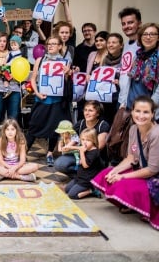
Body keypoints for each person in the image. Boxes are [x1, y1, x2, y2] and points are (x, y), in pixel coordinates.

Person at [92, 95, 159, 230]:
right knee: (106, 175)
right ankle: (135, 205)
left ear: (153, 114)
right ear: (132, 112)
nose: (141, 115)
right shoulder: (134, 129)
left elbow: (152, 170)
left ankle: (142, 206)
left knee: (123, 185)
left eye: (146, 112)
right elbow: (131, 158)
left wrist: (122, 176)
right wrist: (115, 171)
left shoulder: (156, 134)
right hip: (141, 169)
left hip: (154, 177)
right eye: (138, 111)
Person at [26, 35, 72, 167]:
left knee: (54, 129)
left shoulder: (65, 62)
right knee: (33, 125)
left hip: (57, 101)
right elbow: (33, 79)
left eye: (53, 44)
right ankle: (24, 152)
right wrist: (37, 93)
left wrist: (68, 74)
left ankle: (50, 153)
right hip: (41, 99)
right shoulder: (40, 60)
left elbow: (67, 83)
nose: (50, 46)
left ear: (59, 46)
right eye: (48, 44)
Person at [55, 100, 110, 175]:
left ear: (97, 113)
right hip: (80, 155)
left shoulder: (103, 125)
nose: (87, 113)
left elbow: (98, 147)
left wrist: (72, 147)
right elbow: (68, 135)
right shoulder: (81, 123)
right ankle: (80, 177)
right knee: (59, 164)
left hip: (94, 158)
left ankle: (89, 177)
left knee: (88, 167)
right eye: (85, 110)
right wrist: (63, 143)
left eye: (90, 111)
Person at [126, 23, 159, 112]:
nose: (148, 37)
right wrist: (123, 103)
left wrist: (150, 107)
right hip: (130, 107)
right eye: (145, 34)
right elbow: (130, 83)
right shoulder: (137, 57)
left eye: (152, 34)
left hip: (148, 111)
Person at [63, 128, 103, 199]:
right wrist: (69, 147)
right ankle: (83, 188)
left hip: (87, 181)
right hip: (79, 178)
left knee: (72, 195)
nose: (84, 142)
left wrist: (81, 152)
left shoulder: (94, 152)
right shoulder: (86, 148)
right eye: (83, 139)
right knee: (66, 189)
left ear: (94, 141)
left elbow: (85, 165)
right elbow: (79, 149)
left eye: (88, 140)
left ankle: (92, 191)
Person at [117, 7, 142, 110]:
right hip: (122, 99)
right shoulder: (126, 44)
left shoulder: (144, 44)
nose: (126, 26)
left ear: (139, 23)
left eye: (130, 22)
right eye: (124, 24)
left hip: (137, 100)